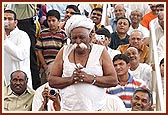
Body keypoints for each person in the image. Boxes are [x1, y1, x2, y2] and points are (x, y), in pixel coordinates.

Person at [48, 15, 118, 111]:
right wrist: (71, 79)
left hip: (96, 109)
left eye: (82, 37)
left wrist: (91, 79)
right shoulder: (64, 51)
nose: (78, 41)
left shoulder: (100, 51)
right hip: (68, 109)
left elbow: (113, 80)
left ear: (90, 36)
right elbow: (52, 80)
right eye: (74, 38)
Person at [6, 4, 41, 90]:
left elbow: (20, 55)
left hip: (26, 22)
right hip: (15, 18)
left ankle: (34, 89)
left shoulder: (23, 35)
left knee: (30, 57)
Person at [35, 10, 67, 84]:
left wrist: (57, 65)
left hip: (58, 64)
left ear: (59, 21)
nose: (51, 23)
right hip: (45, 65)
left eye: (53, 20)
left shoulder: (63, 34)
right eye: (49, 21)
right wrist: (44, 65)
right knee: (44, 85)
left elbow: (63, 51)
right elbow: (39, 51)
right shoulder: (43, 33)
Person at [4, 9, 32, 88]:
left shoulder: (22, 35)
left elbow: (21, 55)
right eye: (4, 19)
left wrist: (5, 40)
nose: (6, 22)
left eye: (10, 19)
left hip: (19, 82)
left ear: (15, 22)